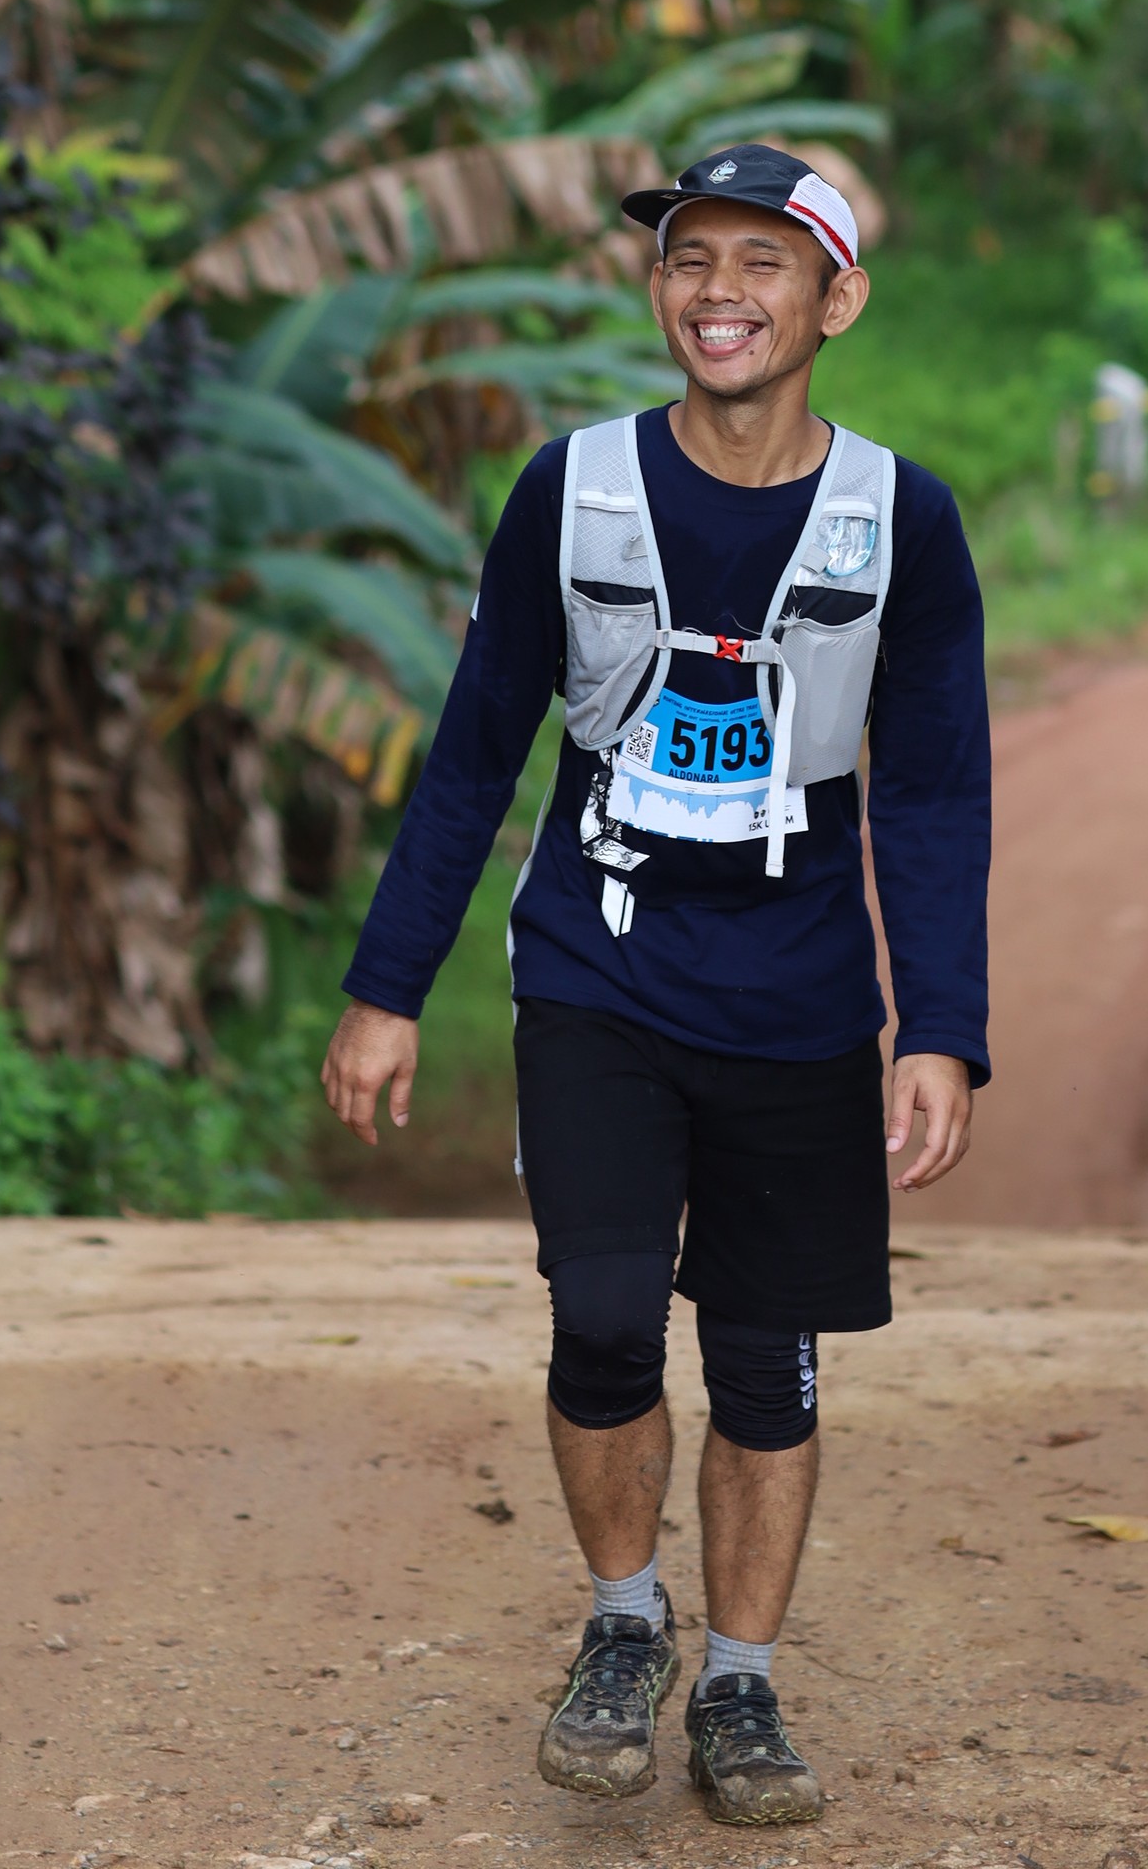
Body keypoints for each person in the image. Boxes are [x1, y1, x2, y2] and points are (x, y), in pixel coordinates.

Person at [321, 141, 991, 1829]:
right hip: (598, 963)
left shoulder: (901, 521)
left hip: (803, 995)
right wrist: (387, 988)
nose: (720, 291)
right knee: (609, 1312)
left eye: (765, 264)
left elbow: (930, 792)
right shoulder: (576, 489)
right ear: (657, 289)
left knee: (765, 1357)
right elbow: (476, 754)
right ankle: (626, 1625)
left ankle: (742, 1684)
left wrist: (944, 1028)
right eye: (692, 258)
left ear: (836, 301)